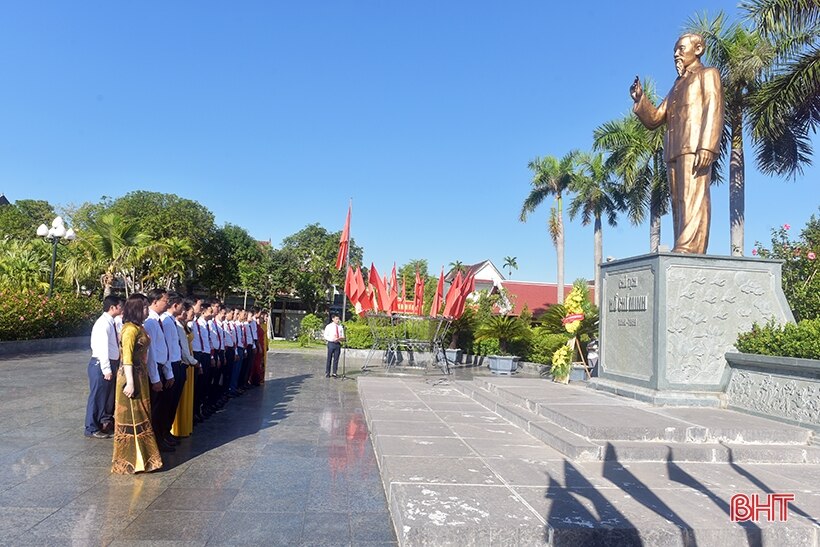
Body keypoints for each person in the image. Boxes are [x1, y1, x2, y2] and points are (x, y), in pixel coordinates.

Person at [631, 33, 724, 254]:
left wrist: (708, 145)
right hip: (674, 149)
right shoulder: (676, 86)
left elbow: (714, 109)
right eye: (675, 50)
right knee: (678, 202)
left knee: (694, 198)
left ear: (698, 49)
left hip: (695, 147)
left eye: (681, 49)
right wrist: (640, 99)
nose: (676, 54)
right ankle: (681, 246)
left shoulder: (708, 74)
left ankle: (690, 248)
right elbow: (655, 118)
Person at [112, 293, 163, 474]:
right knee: (131, 417)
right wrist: (130, 383)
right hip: (130, 377)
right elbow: (126, 358)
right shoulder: (129, 330)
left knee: (142, 415)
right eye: (144, 307)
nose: (147, 310)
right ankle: (129, 460)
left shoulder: (139, 327)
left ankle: (146, 458)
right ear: (135, 309)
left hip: (141, 375)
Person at [85, 295, 122, 439]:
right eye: (119, 306)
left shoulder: (111, 322)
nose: (121, 308)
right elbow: (102, 348)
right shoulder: (103, 324)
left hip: (109, 363)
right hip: (100, 364)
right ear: (112, 307)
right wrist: (106, 369)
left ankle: (100, 424)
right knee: (97, 397)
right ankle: (91, 427)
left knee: (105, 398)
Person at [143, 289, 175, 452]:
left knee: (163, 407)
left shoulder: (158, 321)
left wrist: (168, 372)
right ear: (154, 302)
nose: (167, 303)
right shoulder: (149, 322)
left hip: (162, 368)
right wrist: (155, 378)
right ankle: (155, 440)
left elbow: (165, 349)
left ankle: (162, 435)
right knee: (156, 409)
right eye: (165, 300)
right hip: (155, 370)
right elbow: (151, 352)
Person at [172, 300, 199, 438]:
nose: (192, 315)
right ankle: (178, 428)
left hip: (189, 360)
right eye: (189, 311)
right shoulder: (176, 326)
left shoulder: (185, 326)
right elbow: (183, 348)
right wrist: (194, 362)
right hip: (185, 360)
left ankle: (185, 425)